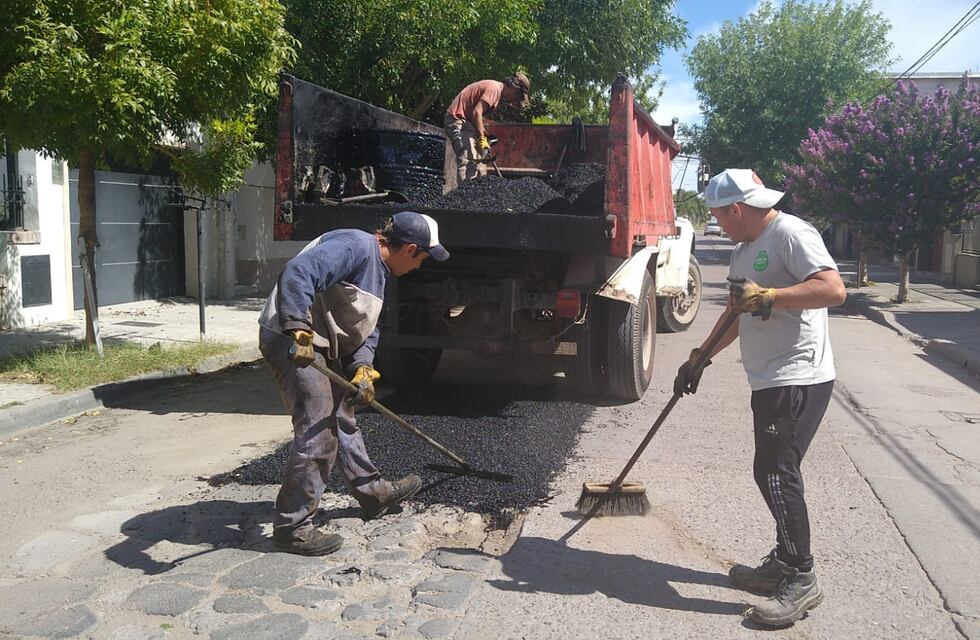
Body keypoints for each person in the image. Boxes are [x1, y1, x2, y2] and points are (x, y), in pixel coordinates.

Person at [674, 169, 846, 627]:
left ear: (736, 208)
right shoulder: (743, 250)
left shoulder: (789, 232)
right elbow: (738, 313)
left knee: (776, 472)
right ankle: (786, 563)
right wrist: (700, 357)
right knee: (768, 470)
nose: (718, 224)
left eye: (718, 216)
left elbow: (833, 289)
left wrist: (770, 294)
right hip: (769, 377)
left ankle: (802, 578)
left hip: (799, 376)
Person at [258, 211, 450, 556]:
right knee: (319, 430)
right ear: (409, 248)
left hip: (318, 341)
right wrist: (298, 326)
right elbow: (300, 272)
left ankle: (373, 494)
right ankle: (293, 526)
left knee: (342, 418)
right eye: (422, 258)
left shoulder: (380, 272)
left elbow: (365, 328)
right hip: (293, 340)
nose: (420, 266)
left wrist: (362, 368)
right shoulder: (356, 247)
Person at [444, 72, 530, 182]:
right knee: (466, 156)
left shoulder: (496, 92)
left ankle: (475, 189)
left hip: (468, 122)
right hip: (457, 120)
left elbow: (476, 117)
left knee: (478, 160)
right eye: (517, 97)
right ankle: (463, 194)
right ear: (516, 89)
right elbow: (476, 112)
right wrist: (481, 137)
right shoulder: (494, 89)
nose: (514, 101)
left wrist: (483, 133)